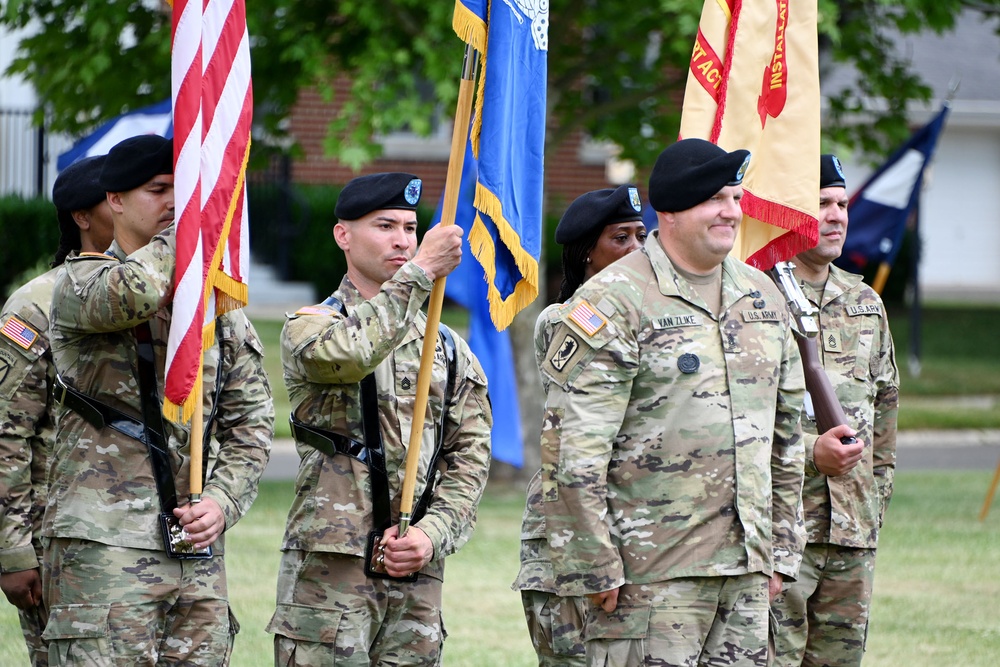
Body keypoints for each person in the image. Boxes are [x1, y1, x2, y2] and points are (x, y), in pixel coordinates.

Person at [540, 138, 807, 667]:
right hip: (648, 574)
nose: (732, 211)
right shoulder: (613, 299)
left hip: (747, 573)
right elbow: (575, 450)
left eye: (735, 197)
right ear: (672, 211)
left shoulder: (762, 296)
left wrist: (782, 549)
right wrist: (596, 562)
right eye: (716, 199)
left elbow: (788, 436)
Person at [43, 134, 274, 665]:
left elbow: (251, 424)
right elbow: (137, 293)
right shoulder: (81, 281)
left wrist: (222, 501)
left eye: (185, 190)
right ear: (115, 200)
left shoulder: (215, 305)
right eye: (159, 189)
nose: (176, 202)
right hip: (105, 544)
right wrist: (195, 225)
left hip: (196, 552)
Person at [267, 172, 492, 666]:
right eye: (384, 225)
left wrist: (432, 536)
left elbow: (470, 459)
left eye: (411, 229)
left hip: (416, 574)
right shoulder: (311, 326)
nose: (402, 240)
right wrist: (421, 273)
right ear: (342, 235)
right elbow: (354, 354)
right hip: (332, 568)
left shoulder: (449, 349)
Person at [770, 154, 899, 667]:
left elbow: (886, 414)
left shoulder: (865, 302)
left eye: (841, 204)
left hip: (852, 534)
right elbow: (736, 419)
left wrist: (873, 504)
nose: (836, 215)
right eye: (820, 203)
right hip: (784, 535)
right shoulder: (756, 299)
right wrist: (808, 456)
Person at [513, 184, 647, 666]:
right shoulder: (570, 320)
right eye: (620, 238)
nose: (636, 250)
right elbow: (572, 441)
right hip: (569, 545)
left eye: (641, 236)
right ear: (587, 252)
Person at [0, 155, 114, 666]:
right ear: (81, 217)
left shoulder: (169, 300)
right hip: (60, 537)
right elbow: (7, 431)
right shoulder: (36, 305)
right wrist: (14, 550)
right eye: (114, 198)